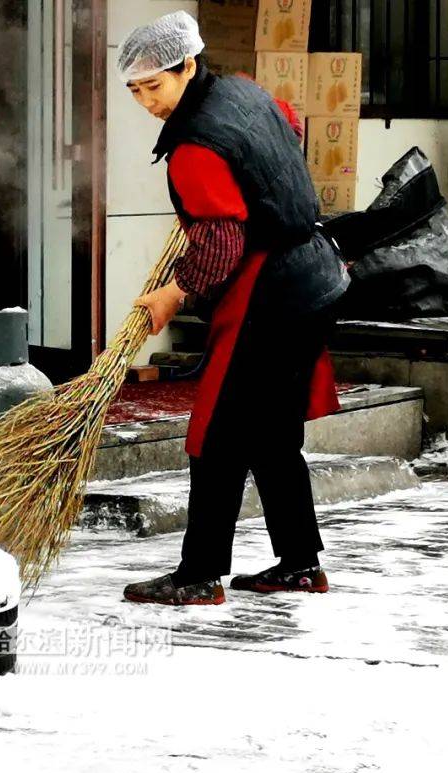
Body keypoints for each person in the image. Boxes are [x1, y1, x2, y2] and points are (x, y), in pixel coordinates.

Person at [117, 11, 349, 607]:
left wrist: (173, 292)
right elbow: (287, 129)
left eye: (154, 86)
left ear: (188, 66)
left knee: (217, 435)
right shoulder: (246, 91)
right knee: (272, 436)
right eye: (135, 89)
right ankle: (300, 563)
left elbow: (220, 241)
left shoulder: (194, 147)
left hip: (270, 294)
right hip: (316, 275)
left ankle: (197, 575)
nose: (146, 101)